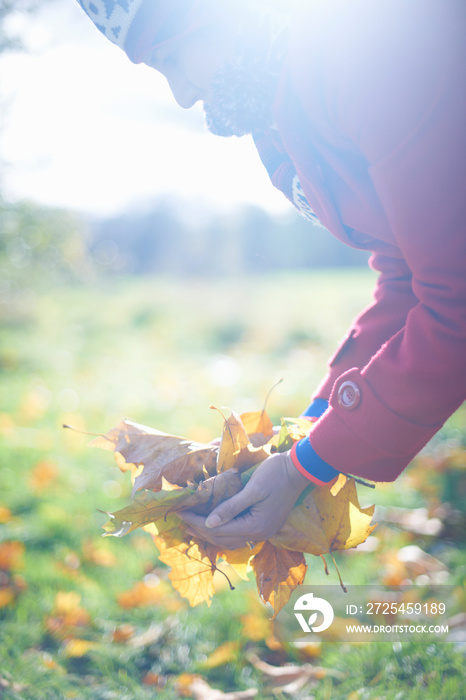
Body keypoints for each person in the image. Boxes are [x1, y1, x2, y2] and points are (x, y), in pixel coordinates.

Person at [76, 0, 466, 550]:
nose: (183, 94)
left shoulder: (370, 54)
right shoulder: (280, 118)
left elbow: (456, 299)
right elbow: (407, 270)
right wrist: (308, 433)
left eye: (172, 57)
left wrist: (309, 464)